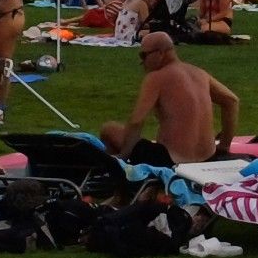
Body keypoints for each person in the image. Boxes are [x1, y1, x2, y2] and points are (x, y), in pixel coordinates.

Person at [99, 32, 239, 163]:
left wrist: (124, 156)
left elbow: (137, 120)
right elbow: (231, 101)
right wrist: (224, 146)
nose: (142, 62)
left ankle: (114, 179)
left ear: (160, 53)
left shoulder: (156, 77)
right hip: (207, 158)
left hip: (171, 160)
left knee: (109, 129)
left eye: (144, 55)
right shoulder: (200, 73)